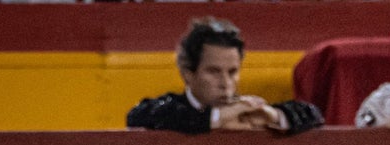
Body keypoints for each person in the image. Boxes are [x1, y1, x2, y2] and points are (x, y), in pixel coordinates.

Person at [127, 18, 324, 135]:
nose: (225, 83)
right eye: (213, 71)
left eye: (232, 72)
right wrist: (220, 117)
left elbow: (312, 114)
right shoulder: (169, 109)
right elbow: (137, 116)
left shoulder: (248, 110)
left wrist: (273, 116)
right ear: (188, 73)